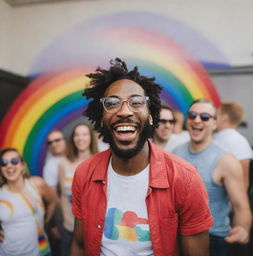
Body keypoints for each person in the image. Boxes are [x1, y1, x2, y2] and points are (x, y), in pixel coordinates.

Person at [70, 58, 214, 256]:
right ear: (101, 119)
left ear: (151, 115)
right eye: (112, 103)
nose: (125, 111)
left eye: (137, 102)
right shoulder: (84, 174)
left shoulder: (185, 179)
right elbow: (79, 245)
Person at [173, 99, 252, 256]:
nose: (197, 120)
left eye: (205, 117)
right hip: (177, 235)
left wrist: (242, 228)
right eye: (192, 115)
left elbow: (240, 206)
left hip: (213, 238)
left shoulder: (226, 160)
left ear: (215, 123)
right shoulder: (174, 154)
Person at [0, 148, 57, 256]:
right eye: (3, 163)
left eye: (14, 161)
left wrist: (45, 223)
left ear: (22, 165)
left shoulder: (36, 184)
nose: (9, 166)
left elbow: (53, 201)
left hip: (39, 251)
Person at [59, 123, 98, 256]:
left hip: (91, 227)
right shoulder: (63, 163)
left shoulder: (100, 161)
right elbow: (63, 195)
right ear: (72, 138)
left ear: (91, 137)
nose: (80, 138)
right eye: (77, 134)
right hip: (69, 226)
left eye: (84, 134)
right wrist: (66, 220)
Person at [213, 101, 253, 190]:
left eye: (216, 115)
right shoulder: (241, 142)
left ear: (224, 117)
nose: (213, 119)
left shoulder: (238, 142)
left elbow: (244, 182)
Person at [42, 130, 67, 256]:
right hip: (65, 217)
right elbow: (53, 198)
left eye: (57, 140)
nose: (54, 144)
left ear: (65, 140)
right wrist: (54, 224)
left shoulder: (78, 155)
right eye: (50, 142)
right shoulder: (50, 166)